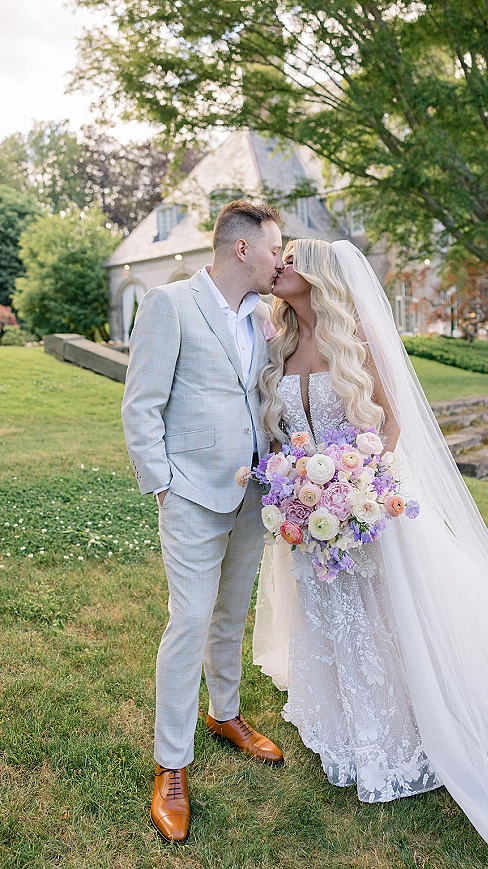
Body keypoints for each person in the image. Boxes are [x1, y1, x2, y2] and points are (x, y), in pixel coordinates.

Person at [253, 237, 488, 854]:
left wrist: (356, 483)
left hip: (365, 501)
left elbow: (393, 422)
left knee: (382, 618)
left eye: (292, 259)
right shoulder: (280, 343)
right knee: (326, 611)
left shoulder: (356, 340)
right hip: (305, 507)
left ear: (318, 275)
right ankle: (341, 726)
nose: (280, 265)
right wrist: (298, 487)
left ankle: (398, 727)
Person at [122, 200, 285, 844]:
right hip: (190, 493)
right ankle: (171, 765)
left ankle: (225, 714)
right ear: (242, 249)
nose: (281, 259)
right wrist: (164, 486)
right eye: (275, 248)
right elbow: (142, 405)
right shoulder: (171, 304)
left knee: (231, 613)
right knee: (189, 620)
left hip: (253, 495)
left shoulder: (263, 317)